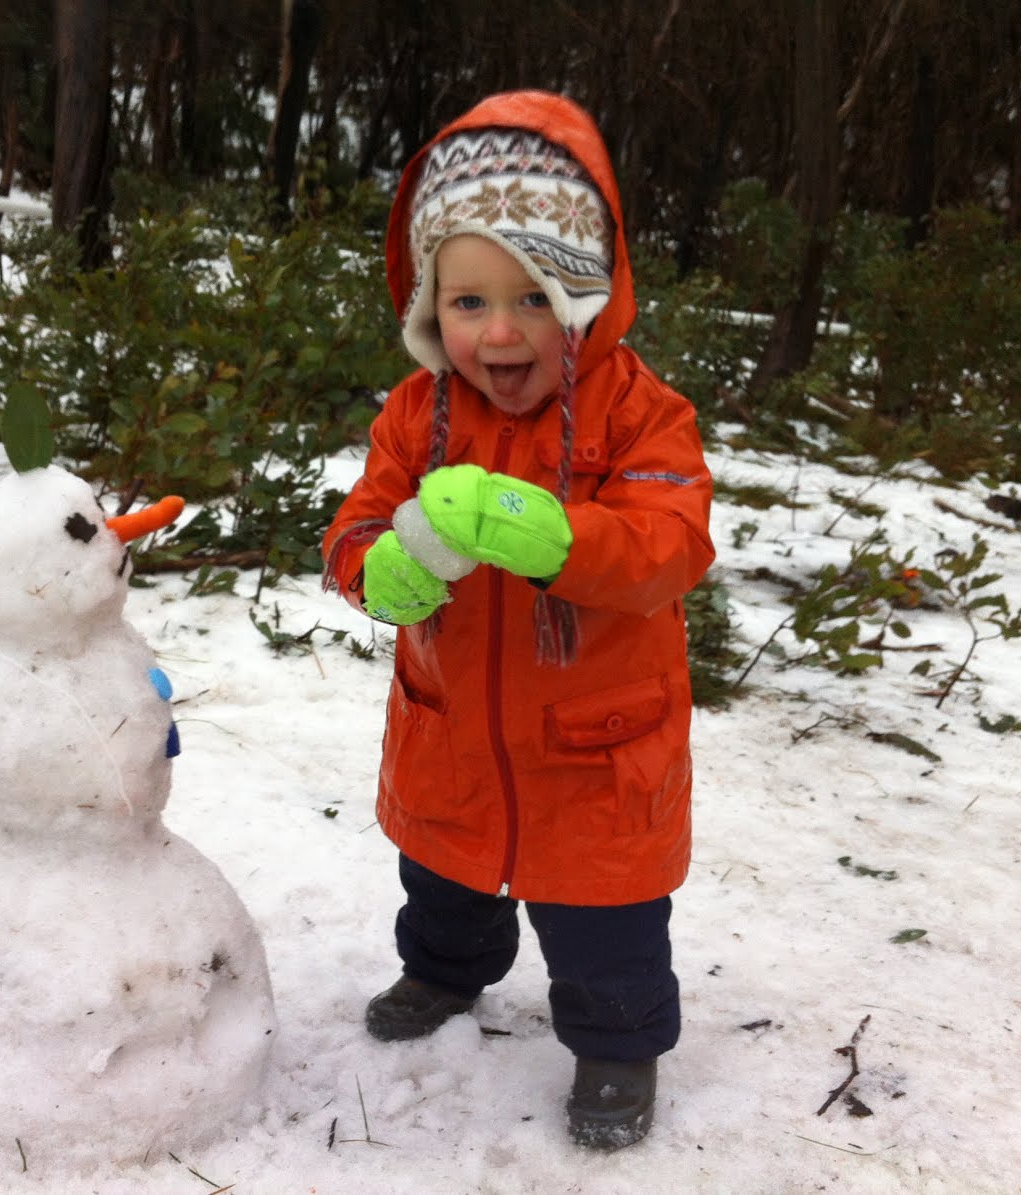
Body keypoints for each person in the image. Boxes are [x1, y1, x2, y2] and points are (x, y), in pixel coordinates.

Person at [321, 89, 716, 1152]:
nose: (498, 330)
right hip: (452, 725)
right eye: (467, 302)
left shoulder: (642, 411)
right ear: (428, 309)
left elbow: (672, 542)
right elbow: (355, 523)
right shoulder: (417, 414)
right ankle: (443, 971)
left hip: (598, 747)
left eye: (533, 299)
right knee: (442, 872)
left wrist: (563, 543)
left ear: (583, 297)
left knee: (605, 920)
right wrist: (380, 571)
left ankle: (619, 1044)